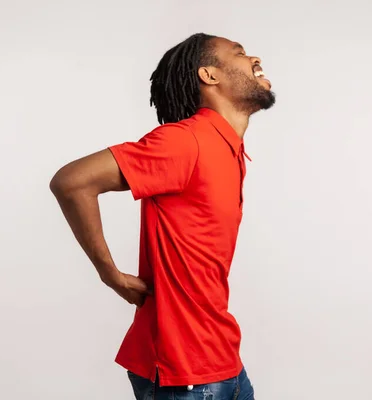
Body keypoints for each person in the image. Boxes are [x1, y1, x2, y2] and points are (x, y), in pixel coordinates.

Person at [50, 32, 275, 400]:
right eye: (239, 52)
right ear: (209, 75)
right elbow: (72, 182)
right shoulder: (186, 141)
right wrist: (111, 275)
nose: (254, 57)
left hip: (224, 361)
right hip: (186, 377)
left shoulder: (229, 149)